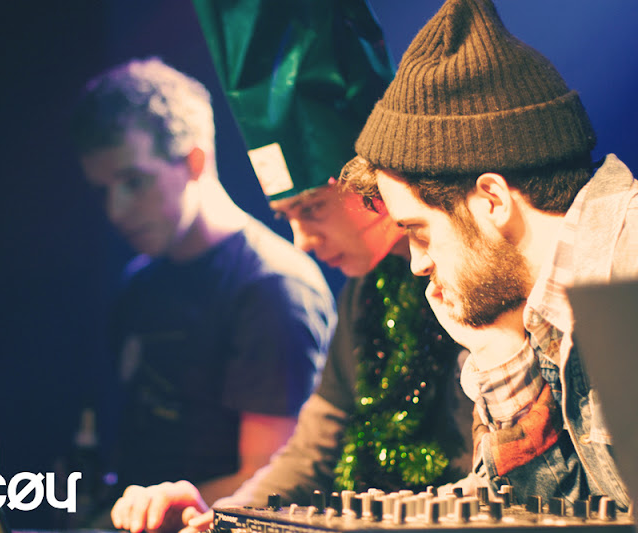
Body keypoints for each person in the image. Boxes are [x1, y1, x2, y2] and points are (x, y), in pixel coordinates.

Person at [107, 3, 474, 530]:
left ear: (374, 178)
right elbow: (311, 453)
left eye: (313, 207)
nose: (301, 241)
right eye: (287, 216)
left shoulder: (474, 274)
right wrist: (217, 520)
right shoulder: (364, 293)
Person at [340, 0, 636, 510]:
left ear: (493, 200)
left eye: (419, 231)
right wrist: (501, 355)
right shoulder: (543, 307)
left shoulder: (624, 277)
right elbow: (565, 513)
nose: (417, 263)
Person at [70, 57, 336, 517]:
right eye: (102, 190)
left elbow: (272, 485)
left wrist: (139, 516)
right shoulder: (139, 283)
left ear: (195, 162)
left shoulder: (272, 289)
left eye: (134, 182)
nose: (116, 210)